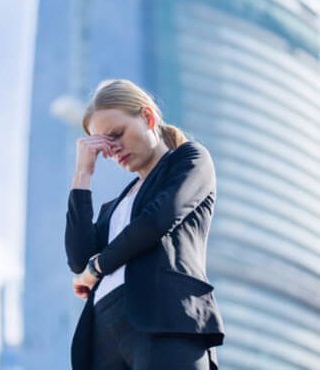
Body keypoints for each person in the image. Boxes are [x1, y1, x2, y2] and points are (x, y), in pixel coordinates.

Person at [65, 79, 225, 370]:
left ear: (148, 117)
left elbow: (157, 221)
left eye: (117, 134)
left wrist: (97, 267)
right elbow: (78, 260)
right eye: (104, 145)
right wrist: (82, 175)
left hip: (164, 320)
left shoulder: (190, 160)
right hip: (103, 337)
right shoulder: (112, 208)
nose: (113, 150)